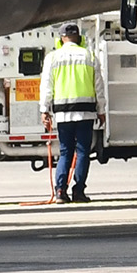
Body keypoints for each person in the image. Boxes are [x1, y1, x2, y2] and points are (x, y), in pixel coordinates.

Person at [46, 22, 103, 204]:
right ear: (79, 38)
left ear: (61, 39)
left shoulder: (53, 57)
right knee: (83, 151)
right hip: (85, 113)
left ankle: (61, 191)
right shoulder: (89, 55)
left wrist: (44, 109)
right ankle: (79, 191)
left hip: (63, 115)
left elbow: (47, 86)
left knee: (65, 152)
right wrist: (101, 110)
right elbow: (98, 87)